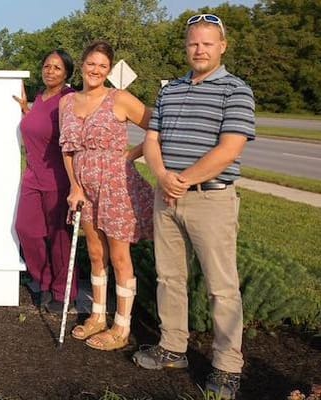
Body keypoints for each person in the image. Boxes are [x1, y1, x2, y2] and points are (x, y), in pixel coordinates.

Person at [132, 14, 255, 399]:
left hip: (210, 199)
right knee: (169, 278)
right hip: (166, 196)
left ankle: (227, 366)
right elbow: (152, 139)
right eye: (193, 43)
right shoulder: (170, 90)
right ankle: (173, 347)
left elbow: (230, 149)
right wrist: (162, 175)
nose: (199, 50)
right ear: (186, 47)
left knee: (222, 286)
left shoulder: (236, 90)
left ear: (222, 47)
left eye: (207, 43)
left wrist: (182, 179)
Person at [59, 40, 153, 351]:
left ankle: (121, 327)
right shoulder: (66, 103)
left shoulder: (120, 99)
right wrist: (74, 186)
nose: (96, 70)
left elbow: (158, 127)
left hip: (116, 186)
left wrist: (131, 155)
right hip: (85, 188)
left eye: (103, 66)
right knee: (96, 253)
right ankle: (98, 315)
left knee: (119, 255)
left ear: (109, 70)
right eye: (91, 63)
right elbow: (67, 150)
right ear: (82, 65)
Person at [12, 49, 77, 312]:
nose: (50, 71)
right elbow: (39, 127)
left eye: (57, 68)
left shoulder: (69, 100)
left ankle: (64, 292)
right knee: (26, 230)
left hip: (58, 178)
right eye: (47, 66)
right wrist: (26, 110)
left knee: (59, 238)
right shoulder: (40, 98)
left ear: (67, 73)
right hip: (32, 177)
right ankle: (44, 280)